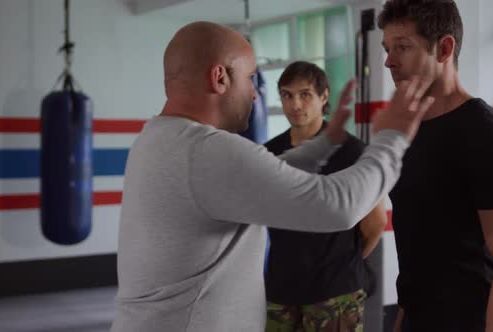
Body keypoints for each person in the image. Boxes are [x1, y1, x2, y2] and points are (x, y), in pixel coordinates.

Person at [110, 21, 435, 332]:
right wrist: (393, 138)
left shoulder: (157, 138)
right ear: (219, 77)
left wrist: (323, 145)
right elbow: (339, 206)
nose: (255, 93)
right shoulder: (209, 150)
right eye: (251, 78)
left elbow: (265, 173)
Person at [377, 1, 493, 331]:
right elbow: (419, 249)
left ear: (444, 48)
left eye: (403, 47)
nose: (389, 61)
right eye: (387, 48)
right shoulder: (406, 133)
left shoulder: (492, 138)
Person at [264, 61, 387, 332]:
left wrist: (342, 262)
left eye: (305, 94)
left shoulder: (353, 152)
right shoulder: (269, 154)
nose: (295, 104)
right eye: (287, 95)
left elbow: (375, 223)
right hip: (281, 290)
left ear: (324, 96)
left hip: (334, 293)